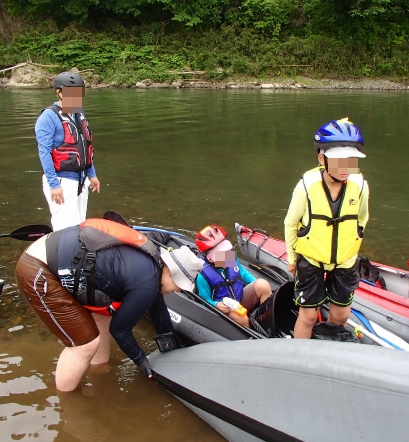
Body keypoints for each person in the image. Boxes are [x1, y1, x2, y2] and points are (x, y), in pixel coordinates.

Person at [14, 217, 204, 392]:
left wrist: (171, 343)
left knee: (102, 317)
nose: (178, 290)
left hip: (53, 252)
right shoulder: (147, 283)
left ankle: (99, 370)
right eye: (179, 286)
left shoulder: (153, 265)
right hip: (38, 269)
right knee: (84, 345)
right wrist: (141, 361)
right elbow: (120, 330)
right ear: (170, 272)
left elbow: (158, 309)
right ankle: (67, 404)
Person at [284, 118, 370, 341]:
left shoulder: (360, 185)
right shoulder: (306, 185)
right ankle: (299, 354)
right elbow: (291, 223)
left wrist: (352, 245)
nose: (347, 168)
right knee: (309, 317)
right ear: (322, 158)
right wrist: (292, 259)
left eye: (351, 160)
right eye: (341, 161)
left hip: (346, 260)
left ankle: (329, 345)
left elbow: (362, 218)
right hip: (312, 259)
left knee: (340, 315)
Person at [35, 72, 100, 231]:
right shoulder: (48, 117)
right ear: (60, 93)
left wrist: (92, 175)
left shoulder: (78, 114)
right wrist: (54, 184)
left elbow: (85, 145)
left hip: (81, 179)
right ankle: (61, 254)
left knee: (80, 225)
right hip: (62, 180)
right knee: (65, 228)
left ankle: (77, 255)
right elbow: (44, 153)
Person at [195, 225, 272, 328]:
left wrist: (256, 285)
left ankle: (268, 322)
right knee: (241, 317)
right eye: (221, 255)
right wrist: (216, 305)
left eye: (228, 251)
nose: (227, 257)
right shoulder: (202, 276)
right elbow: (204, 300)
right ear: (210, 259)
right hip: (226, 309)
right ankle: (254, 335)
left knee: (263, 284)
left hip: (239, 298)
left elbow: (243, 274)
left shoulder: (229, 258)